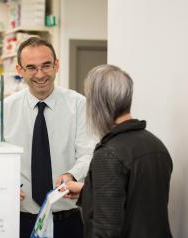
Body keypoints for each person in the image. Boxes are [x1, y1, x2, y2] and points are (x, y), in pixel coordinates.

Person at [65, 64, 173, 238]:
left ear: (99, 103)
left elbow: (106, 231)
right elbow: (136, 201)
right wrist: (89, 190)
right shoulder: (155, 145)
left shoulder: (109, 154)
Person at [4, 37, 96, 238]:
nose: (40, 74)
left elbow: (88, 153)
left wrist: (72, 175)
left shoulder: (79, 105)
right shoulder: (5, 109)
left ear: (57, 65)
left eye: (46, 66)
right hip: (19, 220)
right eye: (31, 68)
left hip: (66, 220)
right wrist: (4, 184)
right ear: (19, 70)